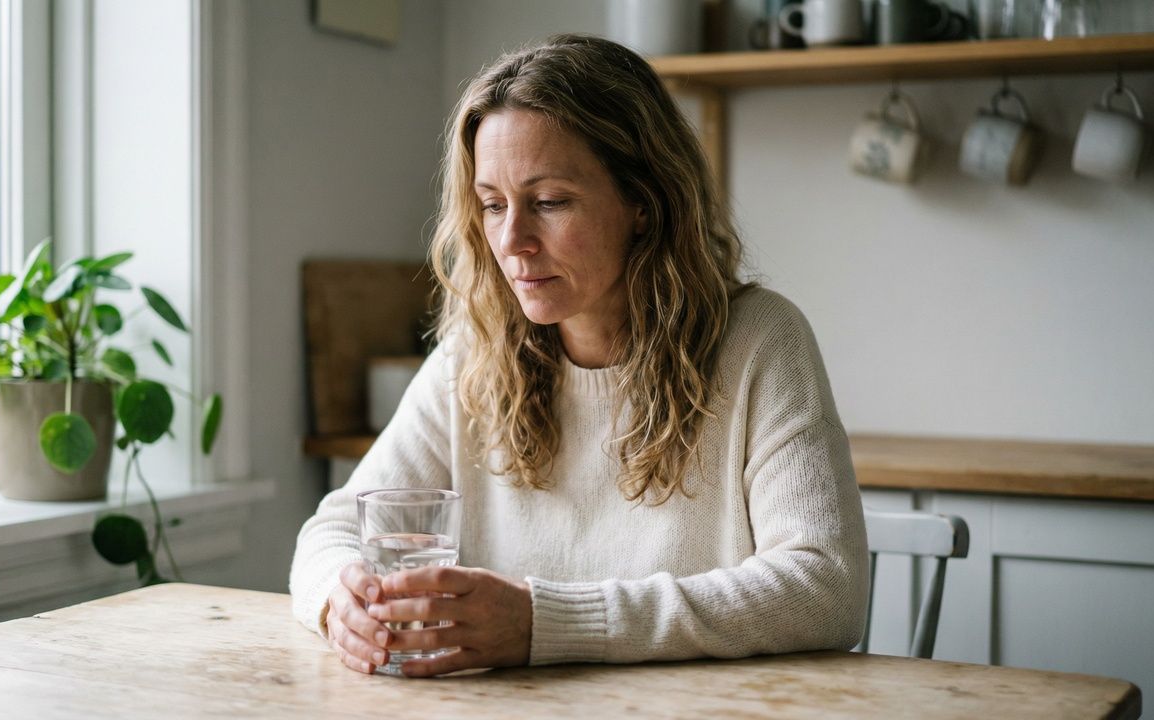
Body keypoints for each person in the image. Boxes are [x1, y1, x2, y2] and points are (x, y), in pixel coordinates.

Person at [289, 33, 869, 678]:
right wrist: (341, 600)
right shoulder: (474, 354)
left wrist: (544, 623)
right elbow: (332, 529)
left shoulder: (761, 340)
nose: (513, 241)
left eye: (550, 202)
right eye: (491, 205)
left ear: (644, 202)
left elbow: (826, 588)